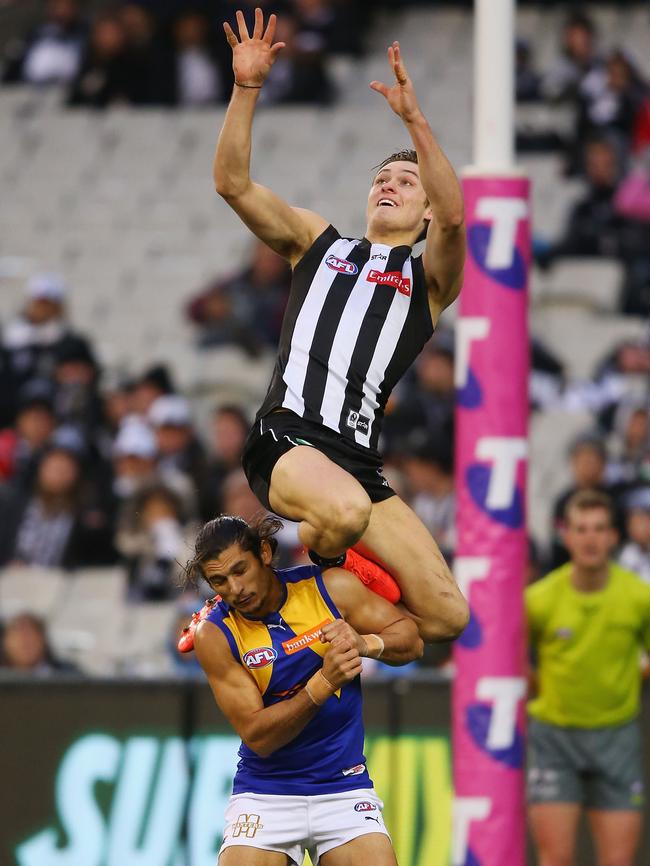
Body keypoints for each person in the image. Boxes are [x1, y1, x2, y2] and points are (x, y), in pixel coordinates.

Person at [214, 8, 468, 642]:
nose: (389, 184)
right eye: (382, 177)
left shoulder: (429, 284)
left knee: (447, 616)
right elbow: (231, 182)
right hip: (287, 440)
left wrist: (415, 121)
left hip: (356, 463)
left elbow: (458, 221)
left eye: (407, 181)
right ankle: (301, 585)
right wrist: (246, 89)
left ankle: (344, 627)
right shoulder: (317, 243)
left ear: (427, 210)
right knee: (347, 512)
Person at [187, 514, 423, 865]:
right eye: (219, 581)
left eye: (240, 570)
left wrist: (365, 643)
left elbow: (411, 641)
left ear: (264, 552)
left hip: (343, 786)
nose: (235, 589)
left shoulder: (329, 588)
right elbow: (258, 736)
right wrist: (324, 683)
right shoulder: (214, 634)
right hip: (265, 793)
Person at [526, 489, 650, 866]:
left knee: (618, 861)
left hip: (617, 735)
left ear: (614, 536)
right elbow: (514, 659)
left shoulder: (638, 597)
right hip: (554, 738)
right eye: (581, 529)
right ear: (566, 535)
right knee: (556, 858)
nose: (590, 538)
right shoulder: (540, 599)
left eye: (599, 529)